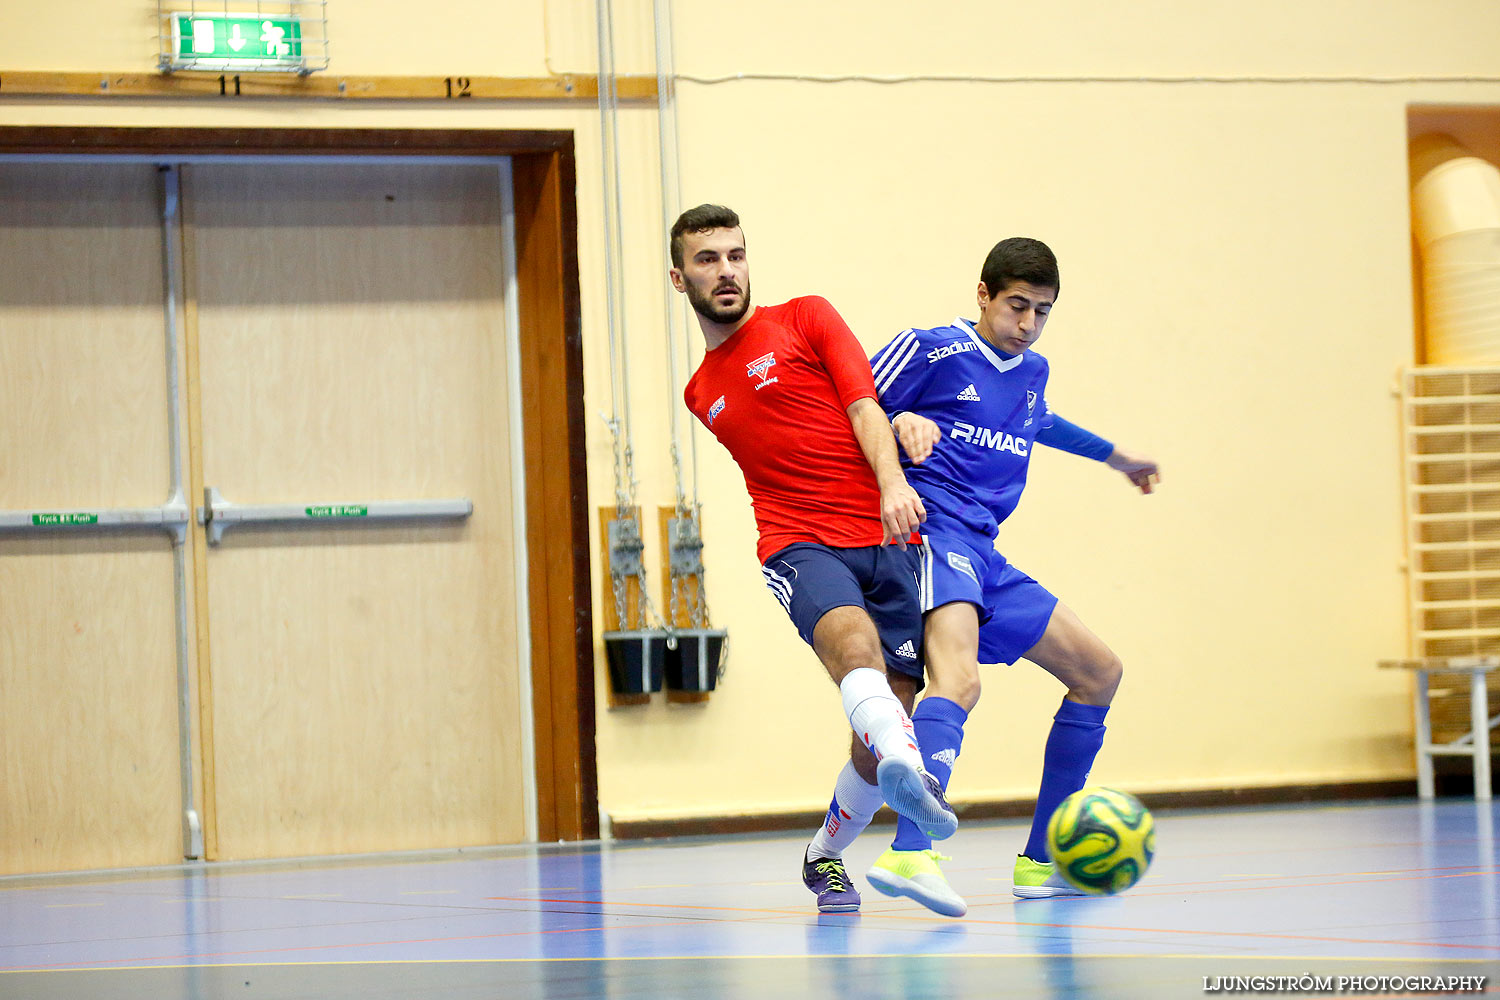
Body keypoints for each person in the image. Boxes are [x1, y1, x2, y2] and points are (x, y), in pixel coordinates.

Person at [802, 236, 1159, 916]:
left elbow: (1038, 422)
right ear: (983, 295)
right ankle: (913, 852)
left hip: (987, 554)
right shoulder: (930, 349)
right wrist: (900, 417)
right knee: (959, 682)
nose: (1026, 324)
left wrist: (1117, 457)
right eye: (1016, 306)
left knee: (1099, 672)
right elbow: (843, 407)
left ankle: (1041, 861)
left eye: (1042, 312)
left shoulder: (1032, 371)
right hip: (929, 538)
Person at [669, 204, 957, 913]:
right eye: (707, 260)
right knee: (853, 651)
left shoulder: (806, 317)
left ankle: (823, 853)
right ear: (680, 279)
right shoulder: (699, 394)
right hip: (798, 543)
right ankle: (914, 769)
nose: (726, 270)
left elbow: (864, 406)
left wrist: (893, 484)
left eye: (735, 255)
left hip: (889, 538)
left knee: (874, 736)